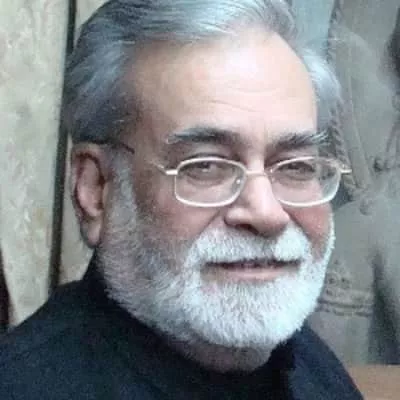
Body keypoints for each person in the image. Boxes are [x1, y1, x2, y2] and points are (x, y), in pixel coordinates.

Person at [0, 0, 362, 398]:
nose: (266, 213)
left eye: (295, 166)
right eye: (206, 166)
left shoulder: (315, 370)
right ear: (96, 189)